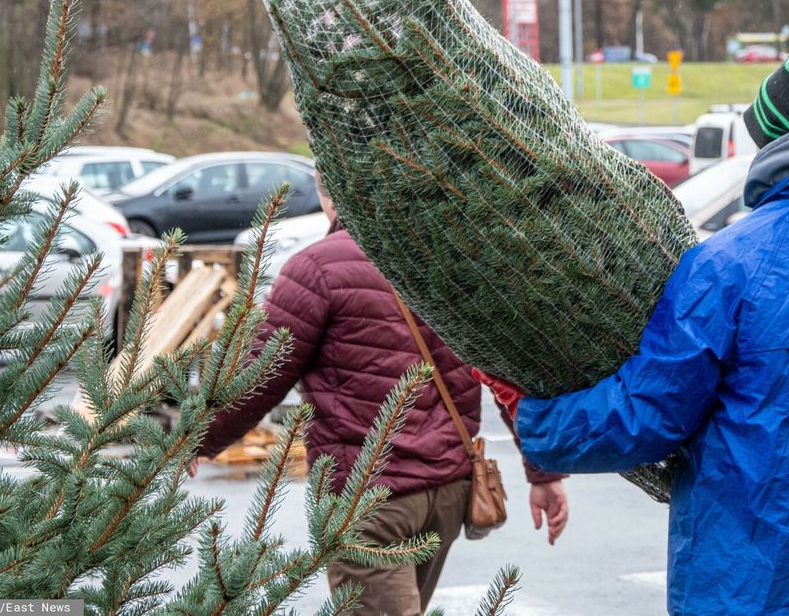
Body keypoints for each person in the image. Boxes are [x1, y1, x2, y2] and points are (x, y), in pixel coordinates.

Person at [477, 39, 789, 615]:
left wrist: (540, 426)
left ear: (769, 137)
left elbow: (651, 411)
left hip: (754, 581)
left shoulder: (726, 268)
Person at [195, 177, 569, 616]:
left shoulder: (317, 269)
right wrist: (543, 471)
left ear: (324, 190)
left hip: (367, 496)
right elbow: (510, 373)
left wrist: (196, 438)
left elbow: (260, 376)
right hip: (449, 490)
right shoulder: (453, 261)